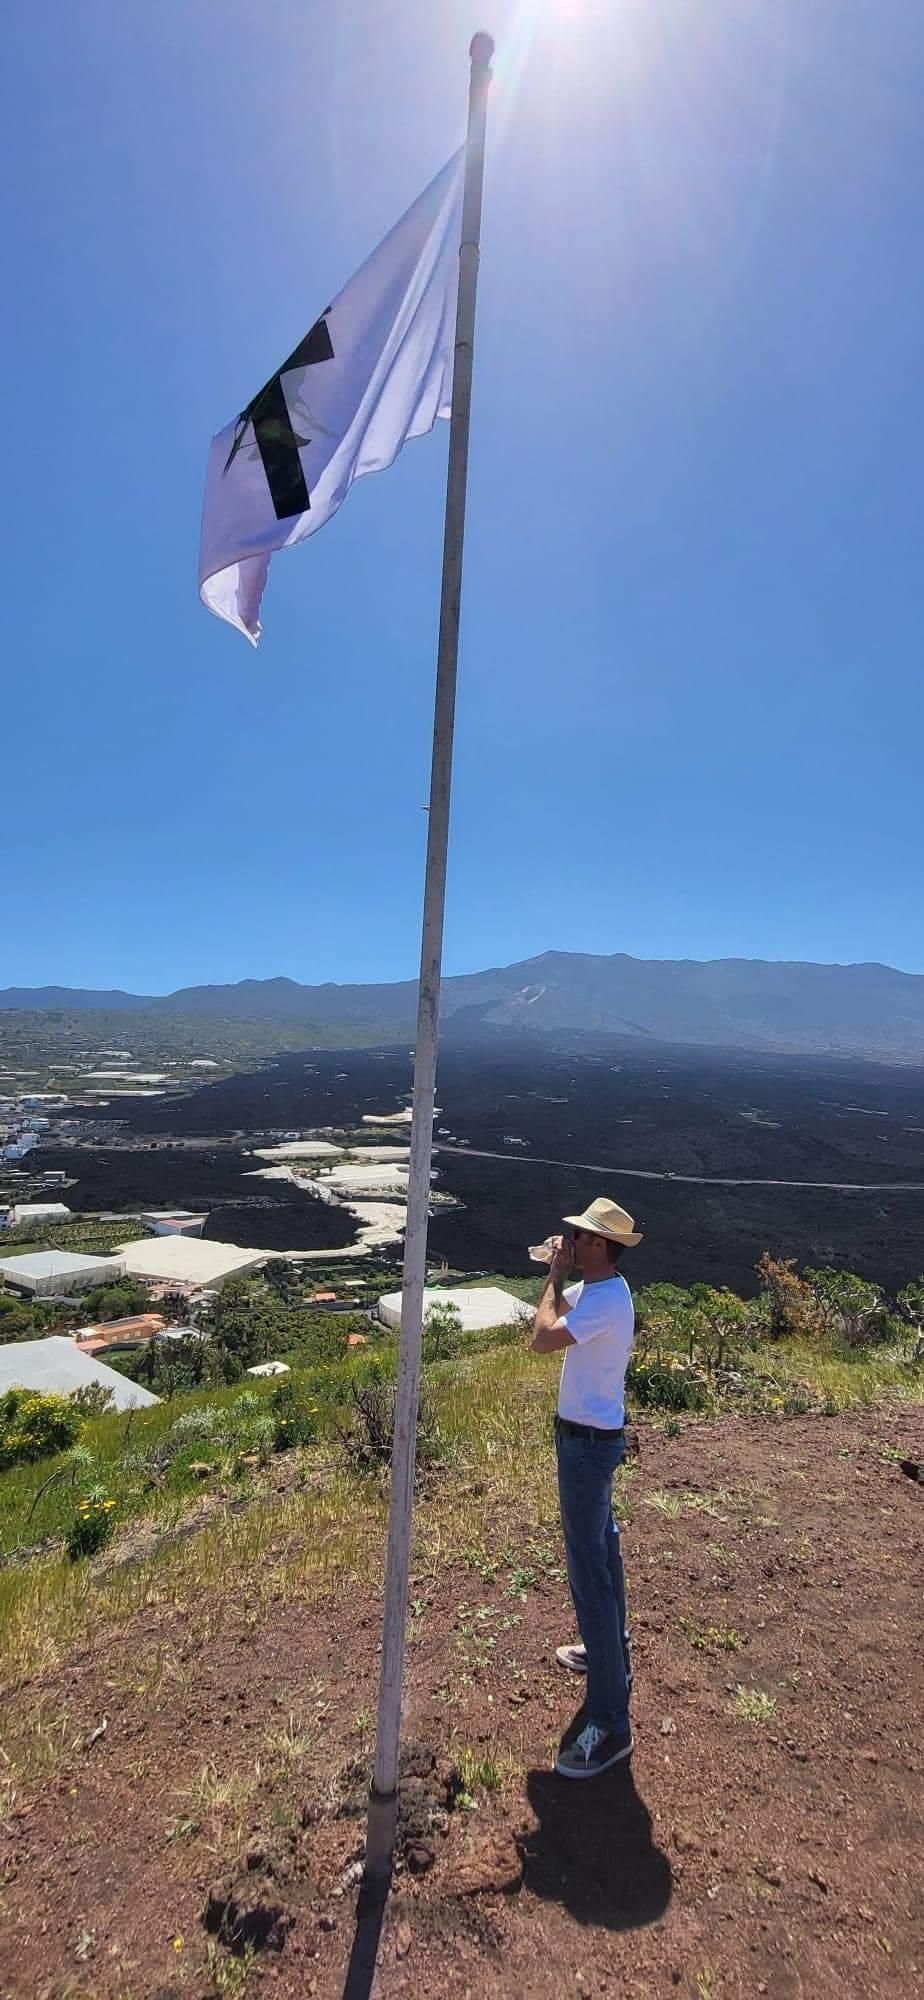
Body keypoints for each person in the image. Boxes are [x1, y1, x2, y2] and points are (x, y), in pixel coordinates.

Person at [530, 1196, 641, 1778]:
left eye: (579, 1237)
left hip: (585, 1448)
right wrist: (555, 1271)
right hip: (593, 1441)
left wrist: (552, 1272)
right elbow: (553, 1313)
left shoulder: (600, 1302)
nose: (571, 1241)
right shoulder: (605, 1293)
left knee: (589, 1575)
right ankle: (610, 1659)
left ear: (599, 1246)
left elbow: (541, 1338)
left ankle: (611, 1722)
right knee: (604, 1550)